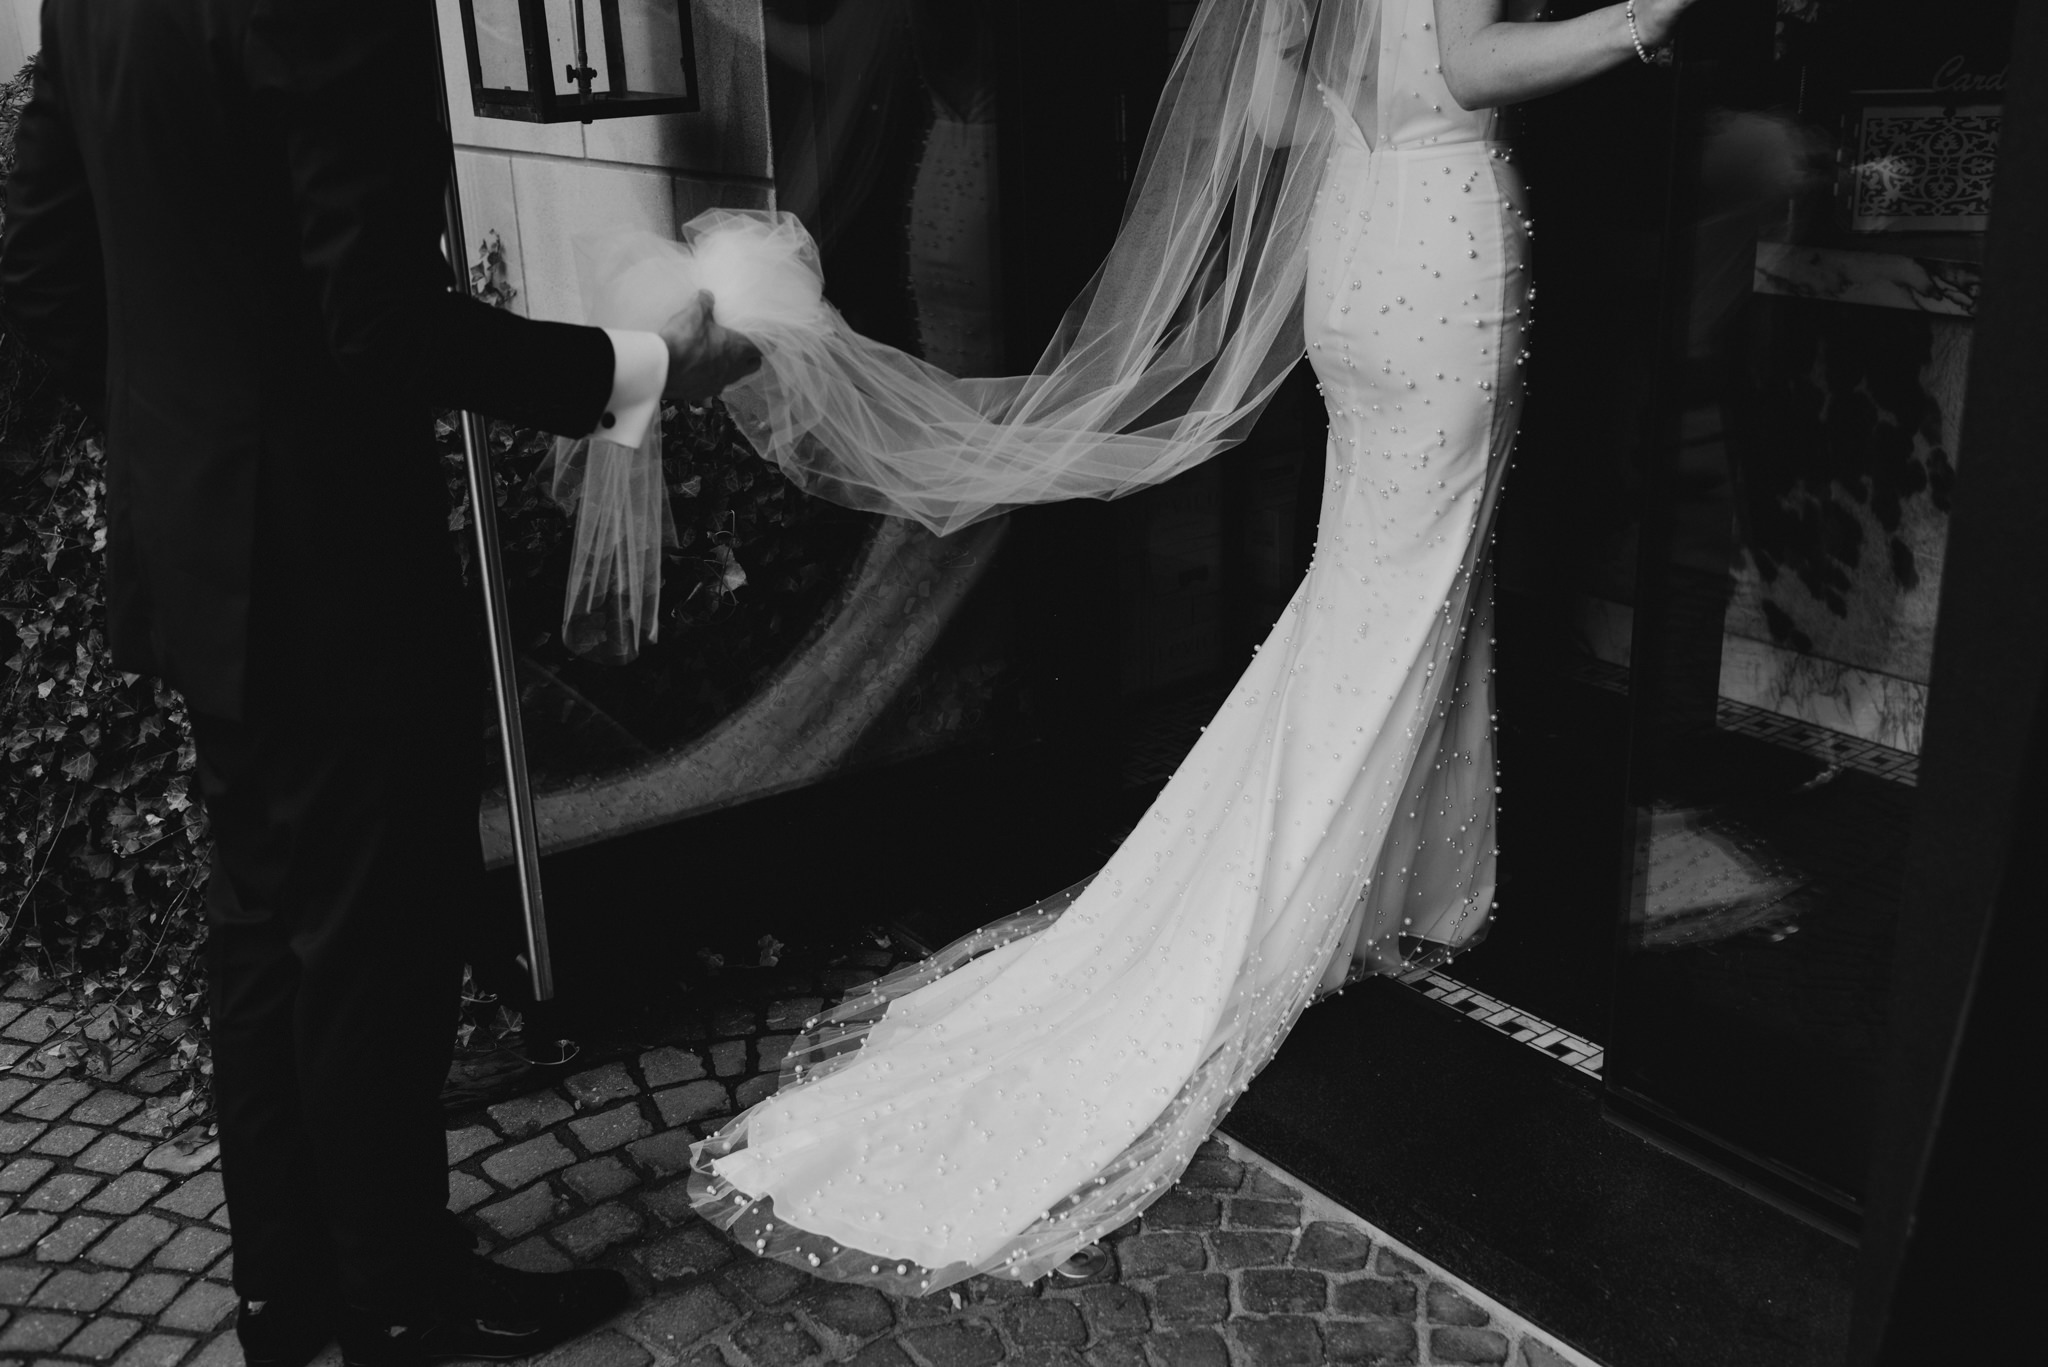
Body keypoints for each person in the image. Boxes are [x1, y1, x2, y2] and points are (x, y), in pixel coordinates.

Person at [673, 0, 1710, 1293]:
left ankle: (1388, 884)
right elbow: (1462, 57)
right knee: (1409, 595)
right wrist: (1636, 25)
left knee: (1374, 597)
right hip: (1442, 244)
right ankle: (1303, 898)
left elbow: (1276, 100)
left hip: (1354, 234)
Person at [0, 3, 757, 1365]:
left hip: (202, 546)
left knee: (263, 928)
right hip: (324, 564)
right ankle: (405, 1302)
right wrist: (639, 370)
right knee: (374, 941)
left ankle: (292, 1297)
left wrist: (189, 442)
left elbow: (47, 278)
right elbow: (381, 323)